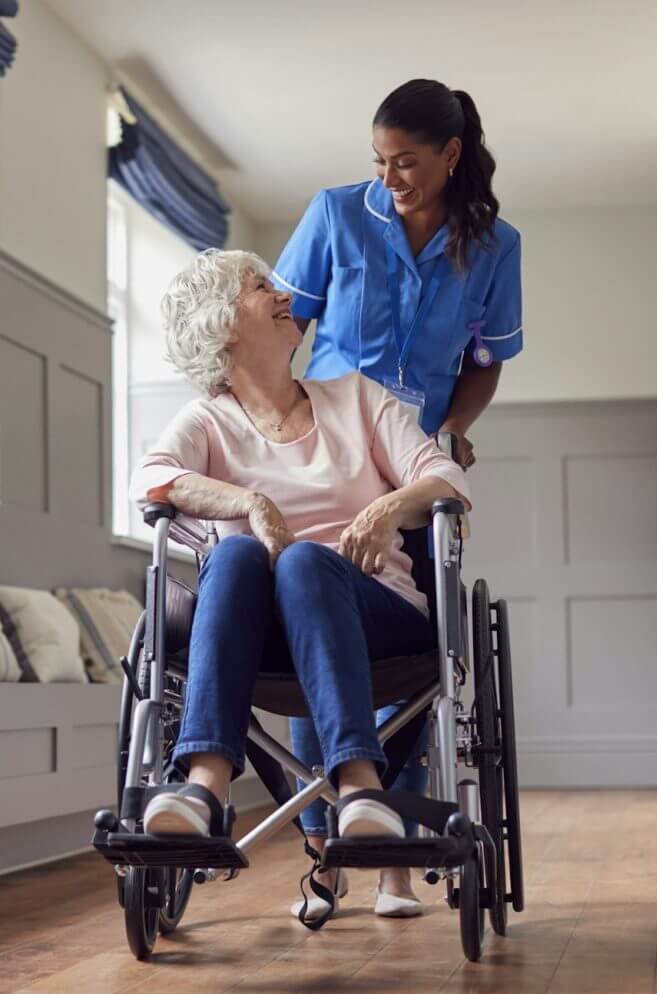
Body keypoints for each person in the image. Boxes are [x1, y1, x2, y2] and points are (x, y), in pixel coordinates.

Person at [129, 250, 470, 918]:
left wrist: (386, 509)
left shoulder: (356, 398)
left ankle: (361, 788)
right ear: (223, 326)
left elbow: (447, 478)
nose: (285, 294)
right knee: (232, 560)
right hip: (265, 640)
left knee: (306, 561)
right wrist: (247, 502)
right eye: (261, 288)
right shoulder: (207, 421)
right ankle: (204, 786)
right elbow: (149, 480)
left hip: (376, 613)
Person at [272, 78, 523, 915]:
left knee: (414, 655)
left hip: (412, 472)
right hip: (330, 462)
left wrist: (452, 428)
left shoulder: (493, 247)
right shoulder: (337, 216)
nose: (391, 179)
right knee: (320, 641)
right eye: (379, 163)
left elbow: (486, 359)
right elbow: (282, 327)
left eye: (407, 162)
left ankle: (391, 859)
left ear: (451, 156)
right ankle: (323, 845)